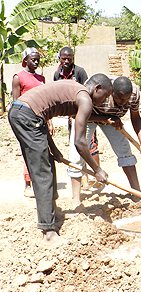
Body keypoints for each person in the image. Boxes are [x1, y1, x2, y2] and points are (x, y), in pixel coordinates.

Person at [8, 74, 113, 245]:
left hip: (25, 113)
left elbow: (42, 114)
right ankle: (48, 232)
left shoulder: (77, 91)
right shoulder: (85, 99)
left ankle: (53, 212)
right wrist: (97, 170)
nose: (105, 100)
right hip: (27, 115)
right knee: (42, 172)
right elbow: (79, 142)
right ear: (97, 88)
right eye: (106, 96)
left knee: (47, 165)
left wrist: (54, 149)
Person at [67, 76, 141, 210]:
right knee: (76, 157)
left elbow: (135, 117)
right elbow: (77, 115)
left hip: (113, 120)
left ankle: (137, 193)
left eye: (126, 99)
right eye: (120, 99)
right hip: (88, 119)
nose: (124, 103)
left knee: (125, 150)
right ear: (111, 94)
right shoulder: (98, 92)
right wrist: (105, 118)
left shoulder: (134, 93)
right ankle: (76, 201)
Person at [53, 46, 100, 188]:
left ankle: (96, 177)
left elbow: (87, 91)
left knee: (90, 144)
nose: (66, 61)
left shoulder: (79, 72)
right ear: (60, 58)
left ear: (73, 58)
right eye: (64, 58)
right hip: (69, 115)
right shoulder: (57, 74)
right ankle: (84, 178)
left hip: (83, 114)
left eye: (69, 58)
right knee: (76, 145)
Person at [12, 47, 51, 198]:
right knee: (29, 151)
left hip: (41, 119)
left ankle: (40, 183)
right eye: (32, 59)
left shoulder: (42, 79)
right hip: (26, 119)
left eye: (37, 59)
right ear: (25, 60)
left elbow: (46, 102)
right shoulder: (18, 77)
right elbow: (16, 102)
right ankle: (27, 185)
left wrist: (49, 122)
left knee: (42, 151)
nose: (36, 62)